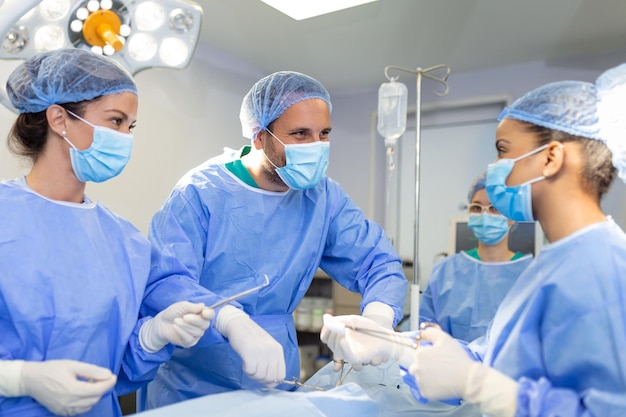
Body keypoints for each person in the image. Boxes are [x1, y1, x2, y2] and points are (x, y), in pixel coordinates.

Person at [139, 70, 407, 409]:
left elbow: (377, 261)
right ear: (259, 136)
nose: (316, 147)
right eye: (300, 134)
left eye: (324, 134)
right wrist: (230, 320)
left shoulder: (322, 197)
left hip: (276, 377)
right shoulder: (200, 193)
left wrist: (378, 321)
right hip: (192, 383)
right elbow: (166, 281)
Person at [0, 48, 214, 417]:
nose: (125, 137)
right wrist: (21, 378)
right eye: (115, 121)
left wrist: (153, 336)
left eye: (130, 126)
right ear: (59, 119)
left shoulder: (123, 240)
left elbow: (115, 367)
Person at [407, 63, 626, 416]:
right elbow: (494, 355)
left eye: (503, 150)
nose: (495, 166)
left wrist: (477, 385)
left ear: (551, 158)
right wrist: (390, 348)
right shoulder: (555, 262)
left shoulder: (603, 267)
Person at [419, 173, 533, 342]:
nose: (485, 215)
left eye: (494, 208)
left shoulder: (531, 273)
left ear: (511, 218)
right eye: (477, 208)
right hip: (451, 365)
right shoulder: (445, 272)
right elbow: (426, 333)